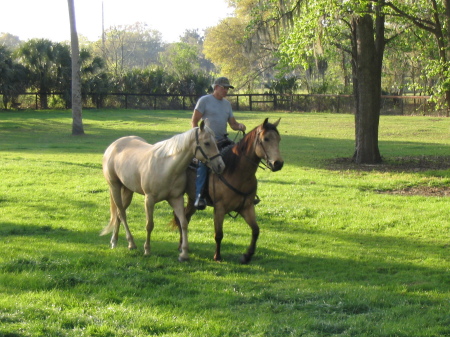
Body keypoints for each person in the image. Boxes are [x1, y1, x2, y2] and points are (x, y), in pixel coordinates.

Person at [191, 77, 246, 210]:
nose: (226, 90)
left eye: (228, 88)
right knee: (204, 164)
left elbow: (232, 124)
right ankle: (200, 196)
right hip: (208, 142)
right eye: (224, 87)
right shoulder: (204, 101)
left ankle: (242, 192)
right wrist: (199, 138)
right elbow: (194, 122)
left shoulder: (227, 104)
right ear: (215, 87)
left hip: (223, 140)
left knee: (240, 158)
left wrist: (239, 126)